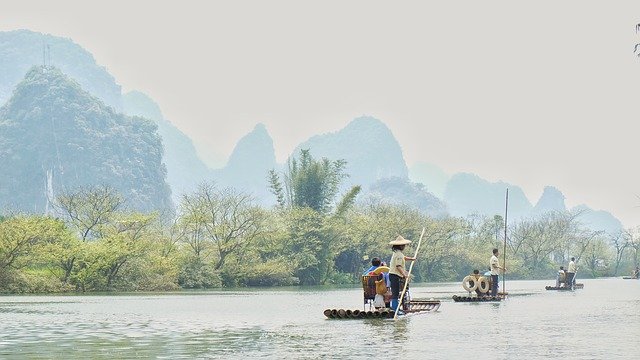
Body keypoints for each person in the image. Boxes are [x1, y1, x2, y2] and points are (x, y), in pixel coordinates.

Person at [388, 235, 416, 314]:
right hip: (395, 275)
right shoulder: (398, 254)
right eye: (403, 245)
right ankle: (395, 309)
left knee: (396, 292)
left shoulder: (397, 253)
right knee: (395, 293)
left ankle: (395, 308)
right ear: (400, 246)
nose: (404, 246)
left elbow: (403, 258)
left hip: (393, 275)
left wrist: (411, 259)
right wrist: (404, 274)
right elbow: (398, 266)